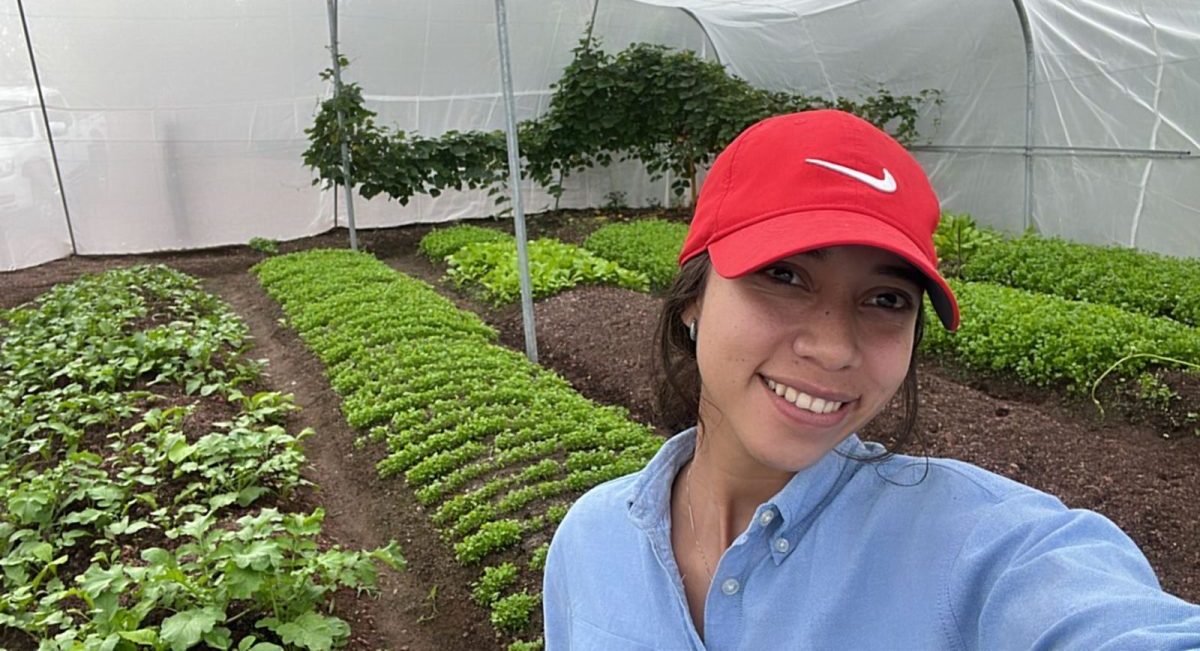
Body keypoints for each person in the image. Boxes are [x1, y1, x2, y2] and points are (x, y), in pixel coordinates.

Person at [541, 109, 1200, 650]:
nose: (833, 347)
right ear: (693, 299)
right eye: (785, 275)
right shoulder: (591, 544)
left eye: (886, 299)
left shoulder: (979, 548)